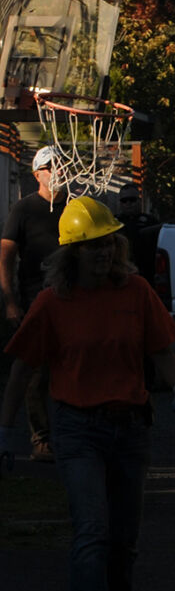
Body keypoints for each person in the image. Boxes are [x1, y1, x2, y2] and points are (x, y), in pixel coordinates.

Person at [0, 196, 175, 591]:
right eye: (92, 248)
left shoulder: (135, 293)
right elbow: (23, 369)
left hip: (130, 430)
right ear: (72, 254)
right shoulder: (53, 303)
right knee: (91, 531)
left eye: (109, 243)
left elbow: (162, 350)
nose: (103, 253)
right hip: (78, 430)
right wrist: (5, 432)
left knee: (123, 541)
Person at [2, 145, 70, 460]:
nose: (58, 170)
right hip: (35, 293)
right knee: (35, 369)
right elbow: (5, 256)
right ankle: (40, 439)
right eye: (50, 165)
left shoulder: (75, 206)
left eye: (61, 164)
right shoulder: (24, 209)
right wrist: (10, 301)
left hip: (71, 292)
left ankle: (74, 436)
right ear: (37, 173)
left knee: (73, 365)